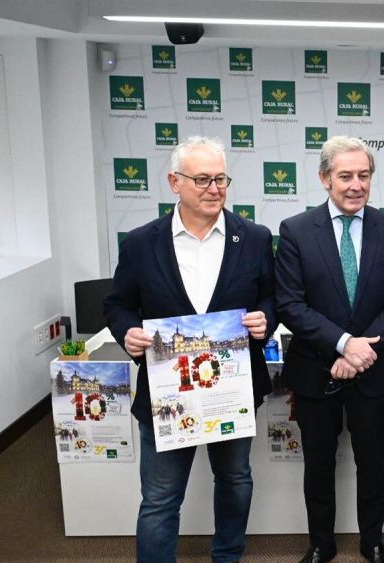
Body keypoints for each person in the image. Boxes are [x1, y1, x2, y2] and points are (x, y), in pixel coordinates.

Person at [103, 136, 275, 563]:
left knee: (235, 480)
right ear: (174, 182)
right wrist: (128, 332)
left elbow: (271, 297)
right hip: (167, 393)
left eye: (221, 179)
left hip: (230, 391)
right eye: (202, 180)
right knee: (160, 497)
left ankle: (227, 556)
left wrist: (266, 319)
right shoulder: (141, 243)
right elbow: (117, 304)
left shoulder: (254, 238)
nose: (214, 189)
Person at [275, 136, 384, 563]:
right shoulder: (295, 230)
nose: (356, 185)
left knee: (373, 463)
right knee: (318, 465)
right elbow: (290, 305)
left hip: (373, 369)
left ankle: (372, 542)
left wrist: (360, 352)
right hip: (315, 370)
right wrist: (343, 344)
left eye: (364, 175)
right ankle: (321, 544)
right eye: (346, 175)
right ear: (324, 178)